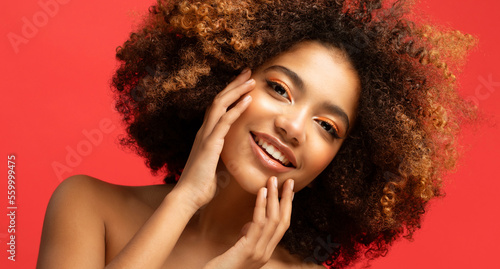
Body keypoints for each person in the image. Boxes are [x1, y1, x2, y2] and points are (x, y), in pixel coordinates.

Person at [37, 0, 476, 268]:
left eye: (327, 126)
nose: (293, 126)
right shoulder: (87, 206)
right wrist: (184, 198)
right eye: (280, 89)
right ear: (221, 78)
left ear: (343, 163)